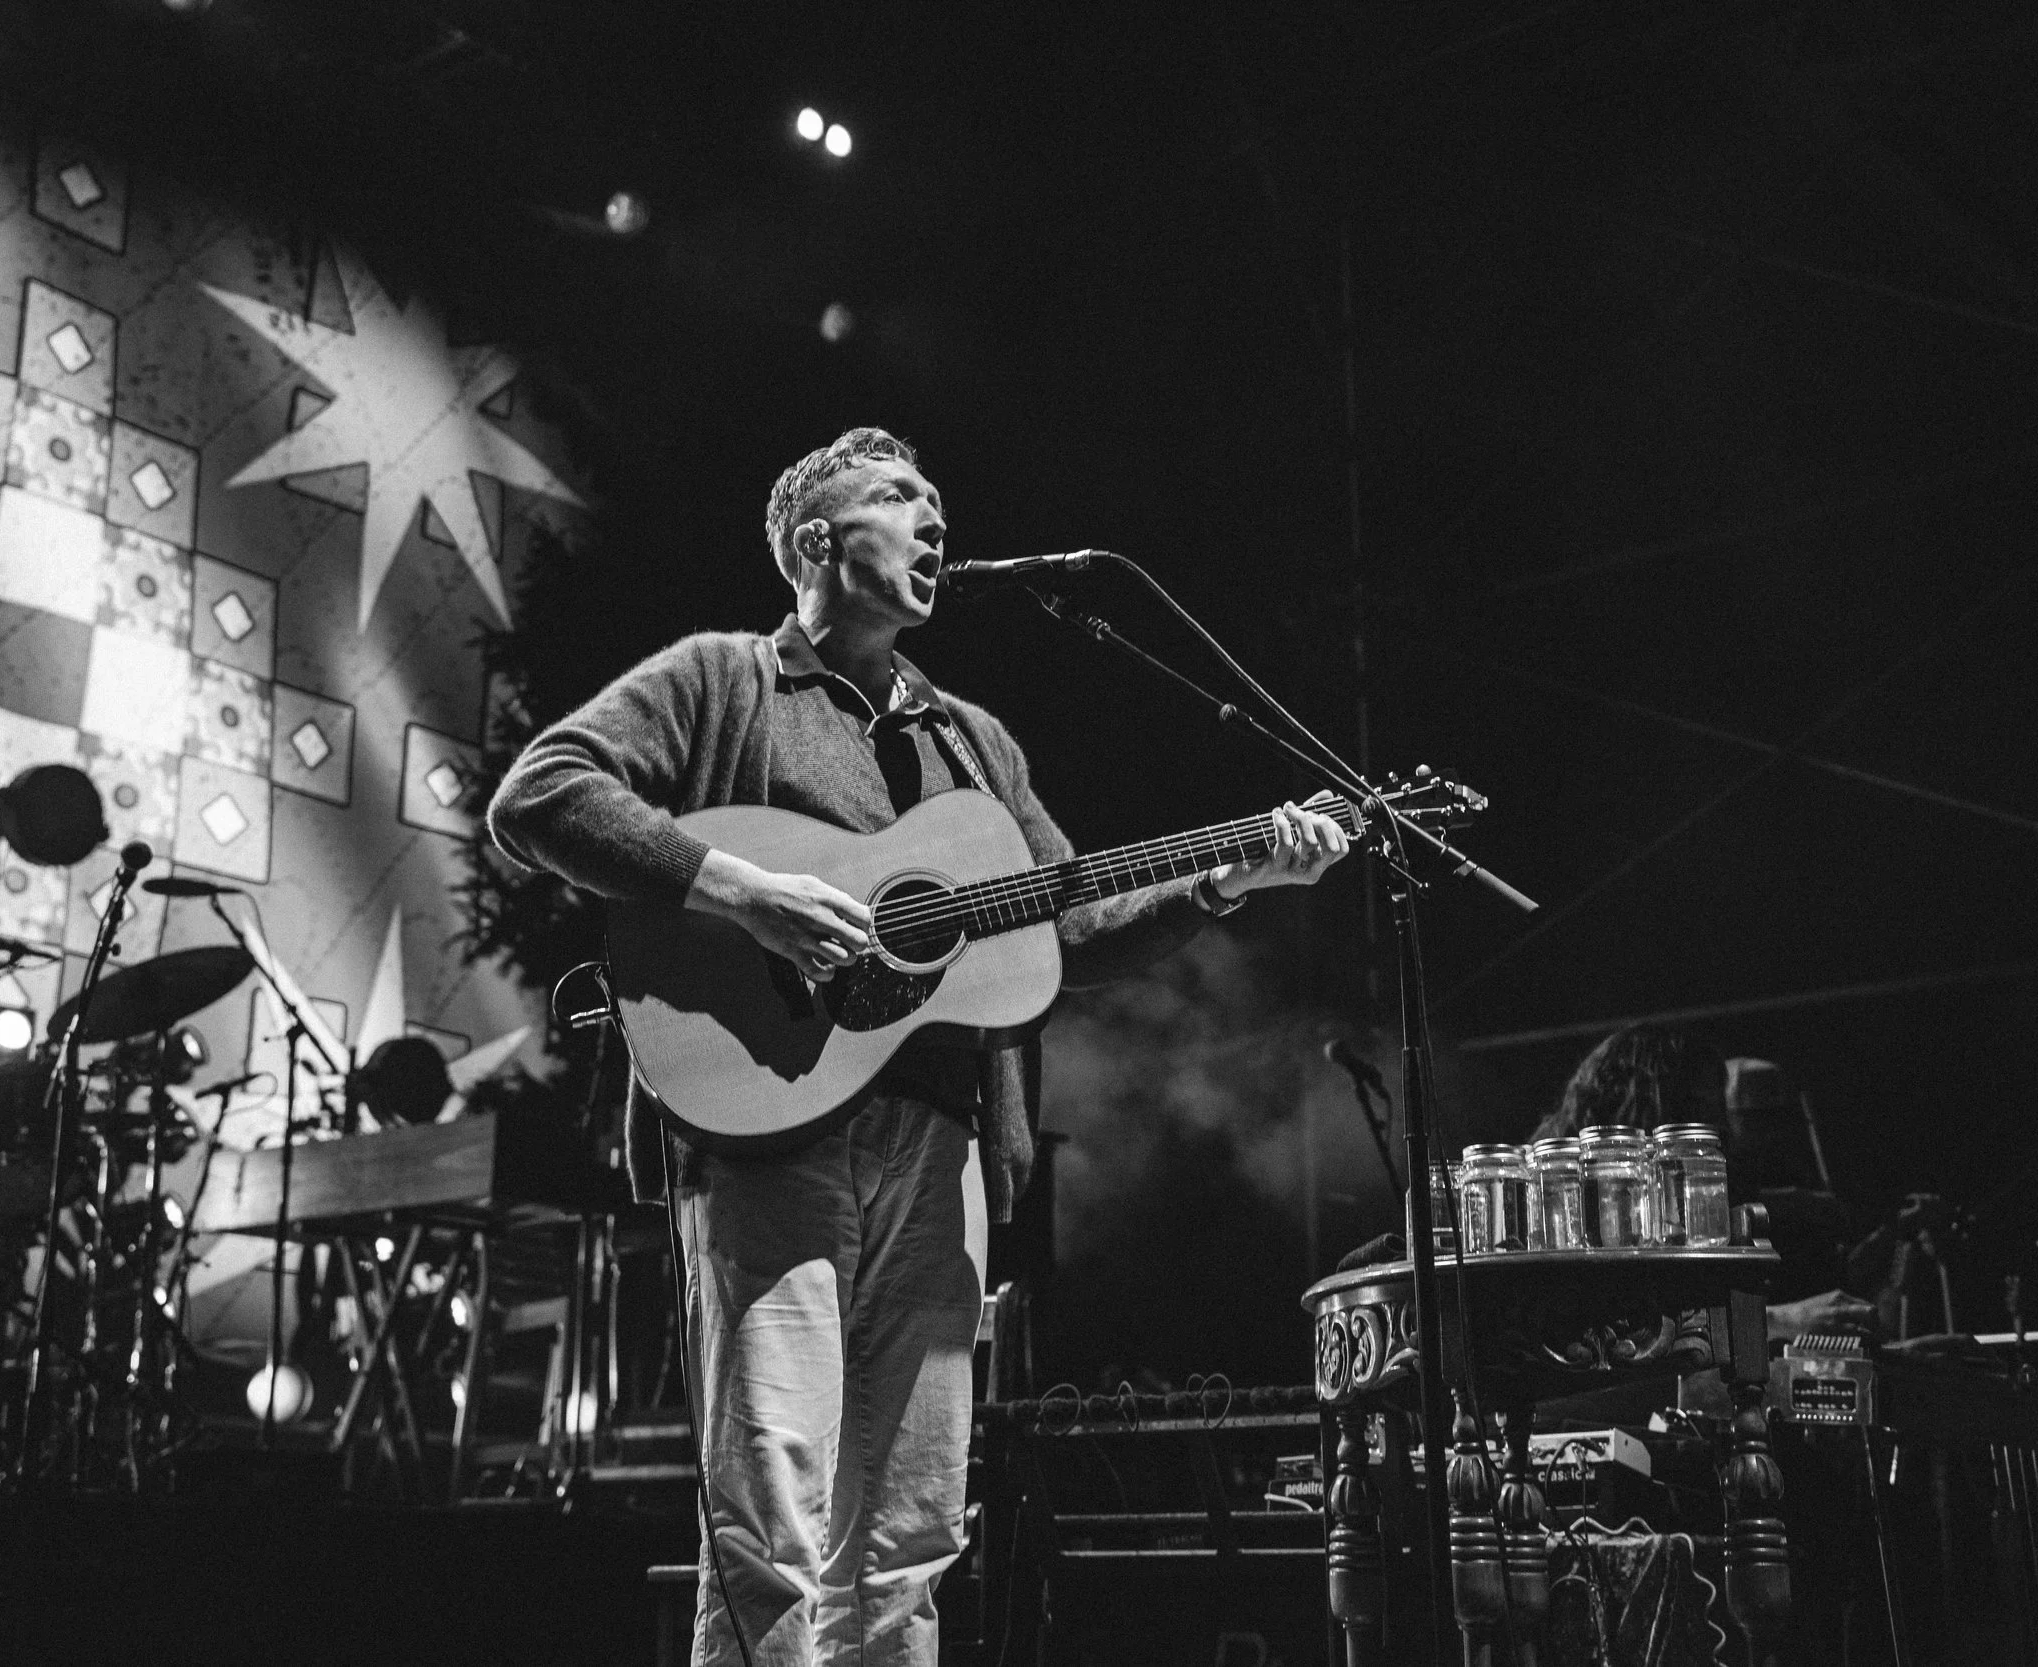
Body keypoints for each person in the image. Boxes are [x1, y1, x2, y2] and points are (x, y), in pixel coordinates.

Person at [489, 427, 1349, 1665]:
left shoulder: (973, 743)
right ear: (812, 543)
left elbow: (1067, 921)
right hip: (762, 1126)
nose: (934, 520)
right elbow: (542, 794)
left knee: (909, 1529)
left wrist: (1223, 879)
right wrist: (740, 890)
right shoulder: (721, 680)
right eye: (900, 499)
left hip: (939, 1138)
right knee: (769, 1511)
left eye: (938, 502)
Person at [1534, 1024, 1875, 1340]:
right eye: (1701, 1108)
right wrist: (1782, 1321)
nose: (1717, 1129)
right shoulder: (1582, 1193)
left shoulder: (1676, 1190)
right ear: (1653, 1107)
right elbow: (1625, 1329)